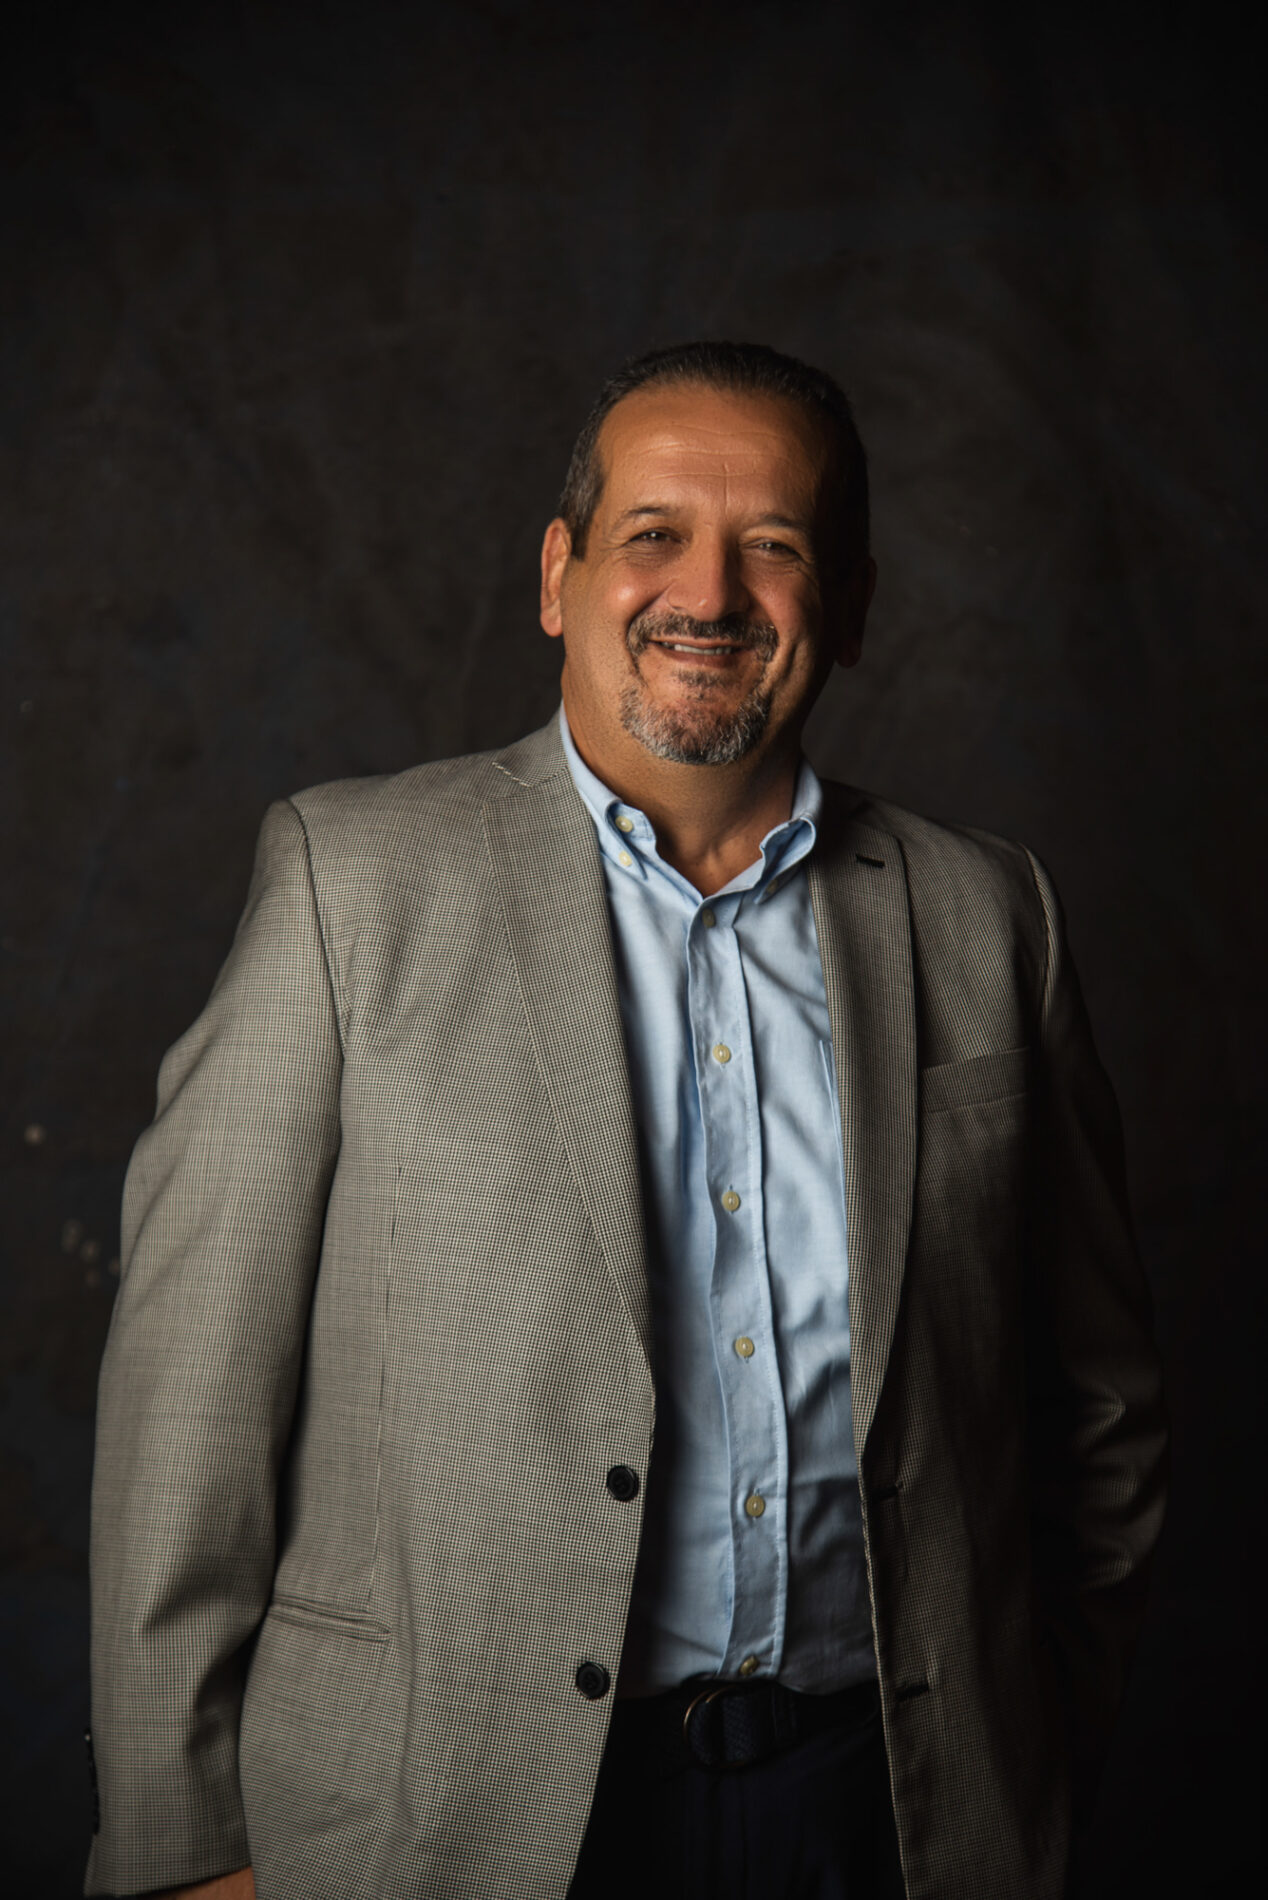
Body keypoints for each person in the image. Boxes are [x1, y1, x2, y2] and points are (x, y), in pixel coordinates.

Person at [86, 341, 1167, 1900]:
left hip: (886, 1819)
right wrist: (184, 1852)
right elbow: (188, 1403)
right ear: (560, 576)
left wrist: (1036, 1747)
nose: (707, 594)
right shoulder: (352, 887)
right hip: (445, 1820)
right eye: (654, 532)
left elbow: (1100, 1415)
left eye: (773, 546)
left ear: (852, 603)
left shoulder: (992, 917)